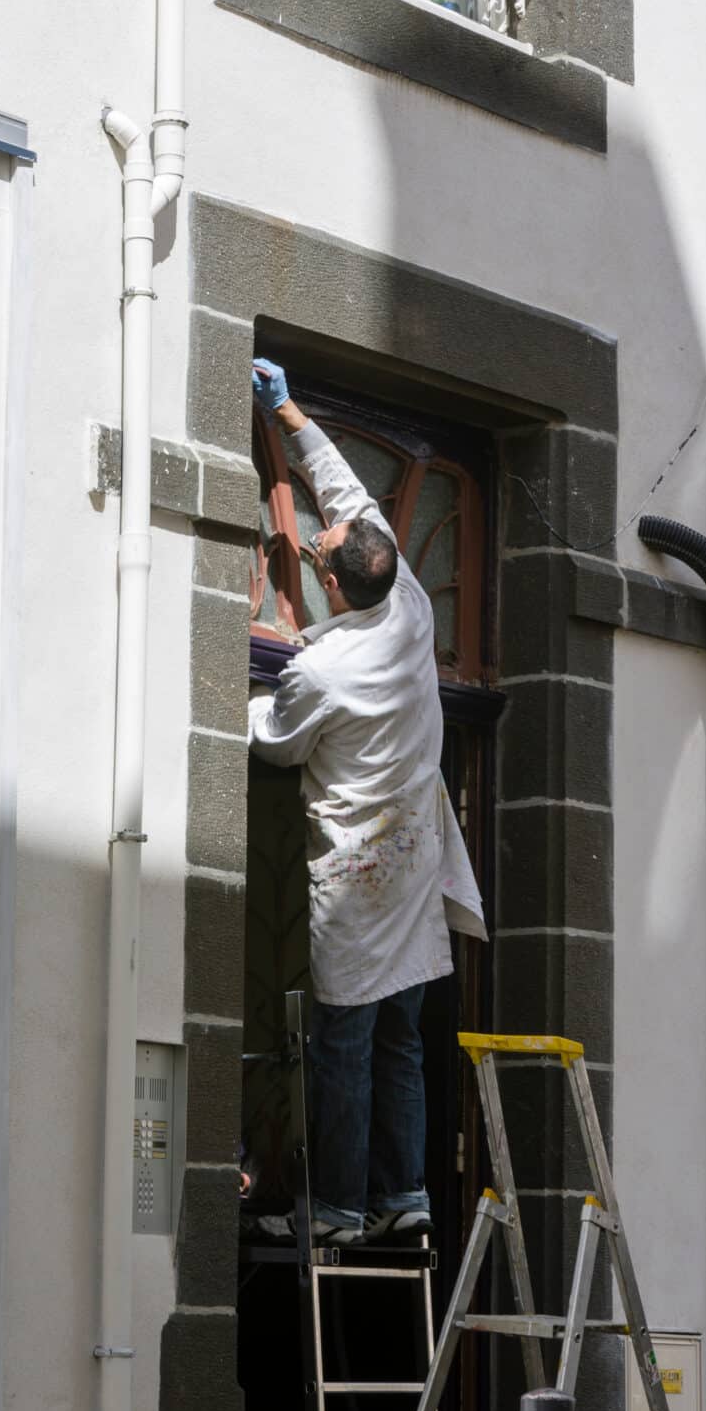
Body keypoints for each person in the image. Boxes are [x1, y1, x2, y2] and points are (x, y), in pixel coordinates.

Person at [247, 358, 486, 1245]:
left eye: (323, 550)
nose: (320, 542)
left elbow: (279, 744)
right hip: (413, 860)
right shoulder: (412, 605)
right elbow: (346, 494)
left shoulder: (324, 671)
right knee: (403, 1042)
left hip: (358, 872)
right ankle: (407, 1197)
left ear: (334, 584)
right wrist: (292, 414)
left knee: (343, 1046)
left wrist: (233, 700)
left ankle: (342, 1210)